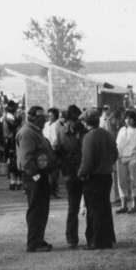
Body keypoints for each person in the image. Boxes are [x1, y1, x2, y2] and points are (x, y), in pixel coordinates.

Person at [16, 104, 56, 252]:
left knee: (41, 209)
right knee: (36, 210)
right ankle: (33, 242)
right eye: (41, 118)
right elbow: (27, 160)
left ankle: (38, 239)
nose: (44, 121)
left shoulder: (36, 132)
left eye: (44, 118)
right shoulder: (27, 133)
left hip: (40, 176)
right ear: (32, 118)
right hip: (34, 177)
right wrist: (37, 177)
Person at [77, 108, 117, 249]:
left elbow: (87, 161)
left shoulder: (89, 137)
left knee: (94, 211)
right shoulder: (107, 134)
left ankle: (95, 241)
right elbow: (115, 154)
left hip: (94, 178)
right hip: (106, 176)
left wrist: (80, 174)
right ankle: (107, 239)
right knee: (105, 208)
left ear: (86, 122)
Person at [57, 105, 86, 249]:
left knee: (91, 208)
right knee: (73, 208)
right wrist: (65, 174)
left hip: (86, 174)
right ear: (68, 120)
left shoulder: (87, 133)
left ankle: (92, 237)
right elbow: (59, 155)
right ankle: (72, 239)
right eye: (71, 120)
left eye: (76, 120)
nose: (74, 123)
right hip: (71, 175)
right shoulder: (61, 133)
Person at [115, 110, 136, 213]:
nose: (128, 120)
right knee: (121, 182)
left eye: (130, 118)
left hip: (133, 159)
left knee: (134, 182)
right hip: (121, 159)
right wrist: (117, 157)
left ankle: (135, 205)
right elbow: (117, 145)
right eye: (126, 118)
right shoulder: (122, 131)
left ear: (134, 119)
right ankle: (123, 205)